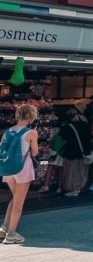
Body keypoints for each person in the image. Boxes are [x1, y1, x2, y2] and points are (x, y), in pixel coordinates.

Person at [1, 104, 40, 245]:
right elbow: (35, 152)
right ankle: (11, 234)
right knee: (19, 202)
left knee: (15, 196)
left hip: (8, 168)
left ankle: (5, 226)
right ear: (31, 116)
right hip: (23, 168)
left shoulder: (7, 131)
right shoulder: (31, 133)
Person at [59, 100, 92, 196]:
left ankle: (72, 188)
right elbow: (89, 136)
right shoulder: (84, 124)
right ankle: (78, 187)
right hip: (83, 152)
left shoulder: (68, 126)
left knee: (71, 171)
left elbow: (63, 136)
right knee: (81, 171)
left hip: (71, 152)